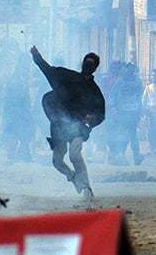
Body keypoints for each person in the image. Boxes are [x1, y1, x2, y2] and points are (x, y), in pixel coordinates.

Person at [31, 46, 105, 197]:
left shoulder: (94, 90)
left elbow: (100, 113)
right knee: (57, 161)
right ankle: (74, 178)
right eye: (86, 62)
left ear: (94, 68)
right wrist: (37, 57)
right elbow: (48, 70)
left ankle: (86, 188)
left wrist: (91, 119)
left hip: (78, 126)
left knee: (75, 155)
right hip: (60, 126)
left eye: (91, 64)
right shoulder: (68, 77)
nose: (87, 66)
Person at [109, 62, 144, 165]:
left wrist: (113, 107)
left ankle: (125, 155)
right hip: (125, 112)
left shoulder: (133, 82)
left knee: (127, 134)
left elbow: (140, 97)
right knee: (129, 134)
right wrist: (113, 107)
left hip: (129, 112)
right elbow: (113, 96)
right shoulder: (127, 82)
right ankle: (127, 156)